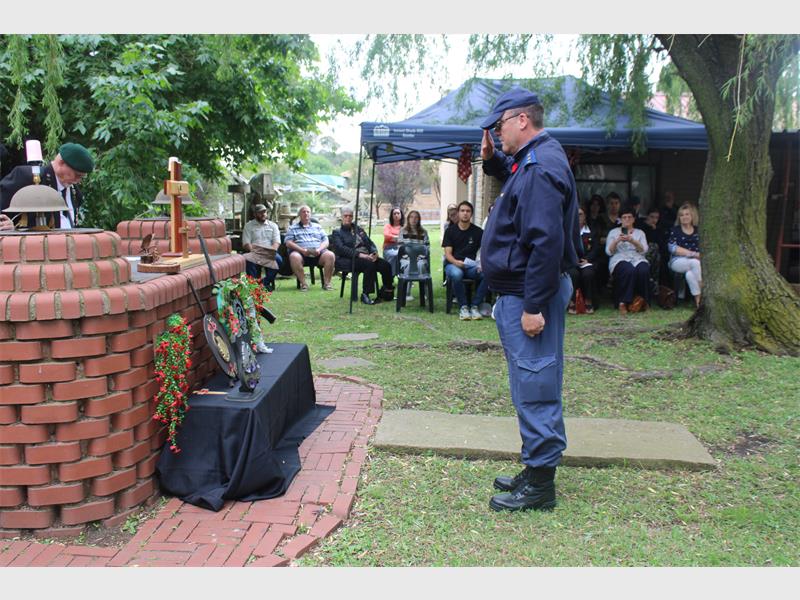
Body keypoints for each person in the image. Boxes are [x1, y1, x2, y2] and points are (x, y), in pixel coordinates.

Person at [479, 87, 580, 511]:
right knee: (532, 380)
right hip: (523, 293)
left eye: (500, 125)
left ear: (522, 120)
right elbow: (518, 180)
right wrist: (492, 159)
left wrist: (534, 307)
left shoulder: (538, 168)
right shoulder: (537, 158)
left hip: (528, 296)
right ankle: (536, 465)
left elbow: (545, 244)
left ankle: (540, 485)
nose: (497, 133)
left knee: (535, 383)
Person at [0, 142, 94, 230]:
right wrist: (9, 227)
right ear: (61, 163)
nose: (78, 181)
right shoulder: (25, 177)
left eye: (82, 177)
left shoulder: (74, 192)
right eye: (77, 175)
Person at [331, 207, 394, 305]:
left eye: (350, 216)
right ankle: (365, 294)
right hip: (350, 259)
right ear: (341, 217)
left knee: (386, 265)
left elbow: (370, 243)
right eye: (345, 216)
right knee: (369, 264)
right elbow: (341, 249)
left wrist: (374, 253)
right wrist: (360, 255)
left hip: (367, 257)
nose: (348, 218)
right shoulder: (337, 232)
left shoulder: (359, 229)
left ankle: (387, 290)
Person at [442, 200, 489, 321]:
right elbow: (447, 254)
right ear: (458, 213)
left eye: (468, 211)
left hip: (470, 266)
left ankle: (474, 306)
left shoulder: (478, 232)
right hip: (453, 264)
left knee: (487, 274)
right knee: (457, 274)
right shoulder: (450, 231)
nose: (465, 213)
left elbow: (485, 250)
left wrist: (482, 264)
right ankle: (463, 307)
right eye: (462, 211)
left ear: (471, 214)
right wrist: (456, 262)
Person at [605, 203, 650, 314]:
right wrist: (617, 240)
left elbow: (644, 250)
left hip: (637, 257)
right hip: (619, 258)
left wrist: (632, 240)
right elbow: (609, 252)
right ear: (620, 219)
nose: (627, 219)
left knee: (643, 269)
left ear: (634, 219)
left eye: (629, 217)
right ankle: (623, 302)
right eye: (624, 217)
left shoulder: (640, 233)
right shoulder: (613, 232)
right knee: (628, 269)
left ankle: (644, 301)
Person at [284, 205, 335, 291]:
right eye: (303, 211)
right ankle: (304, 284)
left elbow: (326, 240)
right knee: (294, 256)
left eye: (308, 212)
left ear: (310, 214)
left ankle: (327, 284)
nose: (306, 213)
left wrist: (319, 249)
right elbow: (288, 242)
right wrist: (302, 250)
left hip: (318, 253)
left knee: (330, 255)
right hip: (301, 254)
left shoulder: (317, 227)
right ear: (299, 214)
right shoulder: (292, 228)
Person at [567, 205, 601, 314]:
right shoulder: (567, 231)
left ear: (585, 216)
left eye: (580, 214)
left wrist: (587, 259)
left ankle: (588, 301)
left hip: (588, 262)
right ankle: (571, 302)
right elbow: (566, 248)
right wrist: (574, 260)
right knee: (573, 274)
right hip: (572, 262)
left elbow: (596, 249)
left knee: (588, 274)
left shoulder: (592, 231)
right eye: (575, 215)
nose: (578, 217)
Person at [668, 203, 703, 307]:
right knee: (694, 262)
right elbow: (672, 248)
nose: (684, 217)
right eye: (681, 215)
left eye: (687, 214)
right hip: (677, 261)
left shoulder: (698, 230)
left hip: (695, 263)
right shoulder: (675, 230)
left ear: (692, 216)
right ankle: (703, 287)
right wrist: (694, 254)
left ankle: (698, 302)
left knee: (689, 274)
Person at [241, 203, 282, 292]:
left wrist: (272, 251)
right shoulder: (249, 226)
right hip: (254, 252)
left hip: (269, 252)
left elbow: (276, 242)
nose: (263, 214)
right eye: (260, 212)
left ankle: (264, 283)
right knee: (249, 260)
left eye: (265, 212)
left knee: (278, 260)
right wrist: (256, 252)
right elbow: (246, 243)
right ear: (255, 214)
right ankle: (253, 286)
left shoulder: (273, 226)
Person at [398, 209, 430, 299]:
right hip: (406, 259)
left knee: (421, 266)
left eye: (416, 217)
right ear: (408, 219)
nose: (414, 219)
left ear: (419, 219)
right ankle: (407, 293)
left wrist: (418, 257)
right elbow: (400, 248)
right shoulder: (403, 231)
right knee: (409, 266)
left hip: (420, 259)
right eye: (411, 217)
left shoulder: (424, 232)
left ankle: (425, 293)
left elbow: (426, 248)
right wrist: (410, 257)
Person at [382, 206, 404, 276]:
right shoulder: (387, 226)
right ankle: (390, 277)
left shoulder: (404, 227)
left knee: (406, 256)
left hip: (402, 248)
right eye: (394, 214)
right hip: (388, 248)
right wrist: (400, 238)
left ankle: (405, 277)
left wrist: (393, 237)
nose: (396, 215)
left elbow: (407, 238)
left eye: (398, 213)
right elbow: (387, 237)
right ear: (391, 216)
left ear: (401, 215)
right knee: (394, 255)